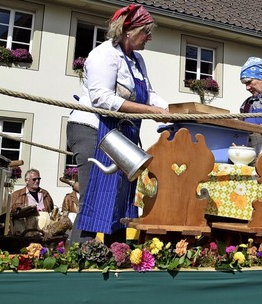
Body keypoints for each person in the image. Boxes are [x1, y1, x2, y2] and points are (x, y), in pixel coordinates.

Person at [67, 4, 169, 245]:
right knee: (94, 195)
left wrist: (171, 112)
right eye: (146, 31)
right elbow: (102, 98)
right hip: (93, 129)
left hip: (121, 136)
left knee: (122, 196)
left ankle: (117, 254)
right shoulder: (104, 55)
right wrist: (151, 111)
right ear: (128, 31)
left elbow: (149, 95)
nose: (150, 37)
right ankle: (76, 258)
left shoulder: (137, 60)